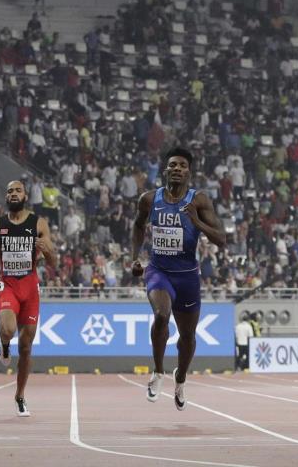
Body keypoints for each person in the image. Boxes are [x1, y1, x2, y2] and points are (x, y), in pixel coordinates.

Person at [131, 147, 226, 410]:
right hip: (158, 271)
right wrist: (135, 257)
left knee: (188, 337)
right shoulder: (149, 199)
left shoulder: (199, 200)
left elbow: (221, 239)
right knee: (161, 315)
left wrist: (196, 221)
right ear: (165, 170)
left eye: (182, 165)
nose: (177, 169)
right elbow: (138, 226)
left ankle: (180, 378)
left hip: (187, 277)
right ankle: (158, 371)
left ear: (189, 172)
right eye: (173, 164)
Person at [0, 180, 57, 417]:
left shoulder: (38, 223)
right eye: (9, 191)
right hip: (8, 285)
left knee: (26, 347)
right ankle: (4, 344)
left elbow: (53, 262)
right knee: (8, 329)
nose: (13, 193)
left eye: (18, 190)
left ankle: (20, 396)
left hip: (30, 288)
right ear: (6, 197)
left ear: (25, 196)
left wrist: (48, 251)